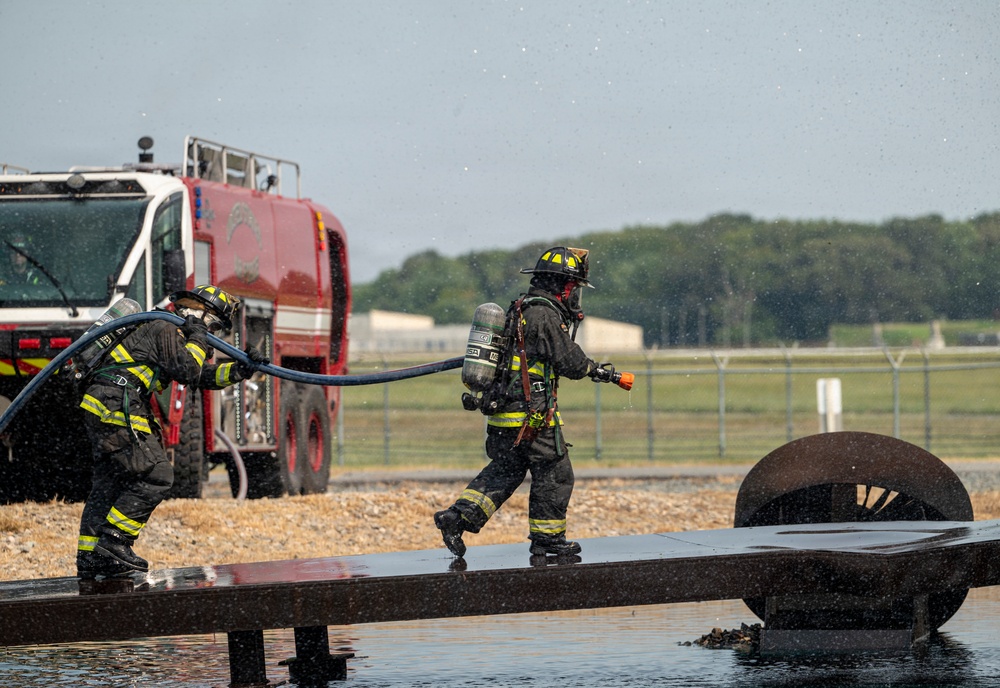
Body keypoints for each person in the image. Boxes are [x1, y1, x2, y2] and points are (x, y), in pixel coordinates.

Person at [434, 246, 621, 558]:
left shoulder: (520, 308)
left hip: (503, 414)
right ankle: (547, 540)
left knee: (507, 470)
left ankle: (457, 517)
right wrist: (596, 370)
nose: (575, 296)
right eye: (574, 288)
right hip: (530, 415)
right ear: (564, 286)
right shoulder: (544, 315)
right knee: (555, 472)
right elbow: (569, 361)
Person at [75, 284, 269, 579]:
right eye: (214, 324)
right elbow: (188, 369)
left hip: (104, 403)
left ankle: (90, 555)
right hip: (116, 402)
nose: (213, 332)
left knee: (111, 482)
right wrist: (199, 338)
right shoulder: (164, 326)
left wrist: (240, 370)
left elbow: (199, 376)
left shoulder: (166, 330)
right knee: (157, 475)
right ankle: (114, 542)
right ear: (199, 311)